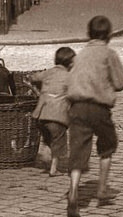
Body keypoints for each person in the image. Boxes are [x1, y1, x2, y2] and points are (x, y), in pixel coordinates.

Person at [65, 16, 123, 217]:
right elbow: (120, 83)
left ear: (89, 34)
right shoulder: (109, 54)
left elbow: (70, 80)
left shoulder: (80, 55)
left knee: (77, 152)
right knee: (107, 145)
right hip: (99, 109)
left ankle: (73, 192)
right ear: (109, 35)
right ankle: (102, 188)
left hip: (77, 108)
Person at [30, 46, 75, 177]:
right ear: (70, 63)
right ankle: (53, 168)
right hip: (58, 116)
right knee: (58, 141)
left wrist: (39, 90)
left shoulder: (48, 72)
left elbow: (33, 77)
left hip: (41, 114)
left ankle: (45, 153)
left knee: (48, 137)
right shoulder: (69, 76)